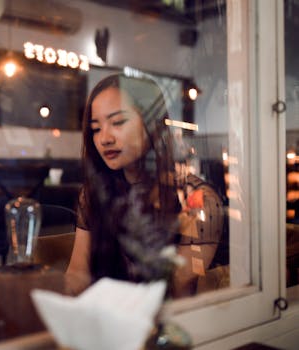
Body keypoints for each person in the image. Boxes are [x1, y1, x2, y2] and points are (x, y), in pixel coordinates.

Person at [65, 74, 225, 298]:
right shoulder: (94, 194)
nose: (104, 138)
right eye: (96, 128)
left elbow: (181, 291)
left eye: (118, 122)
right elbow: (77, 274)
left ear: (154, 124)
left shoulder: (197, 199)